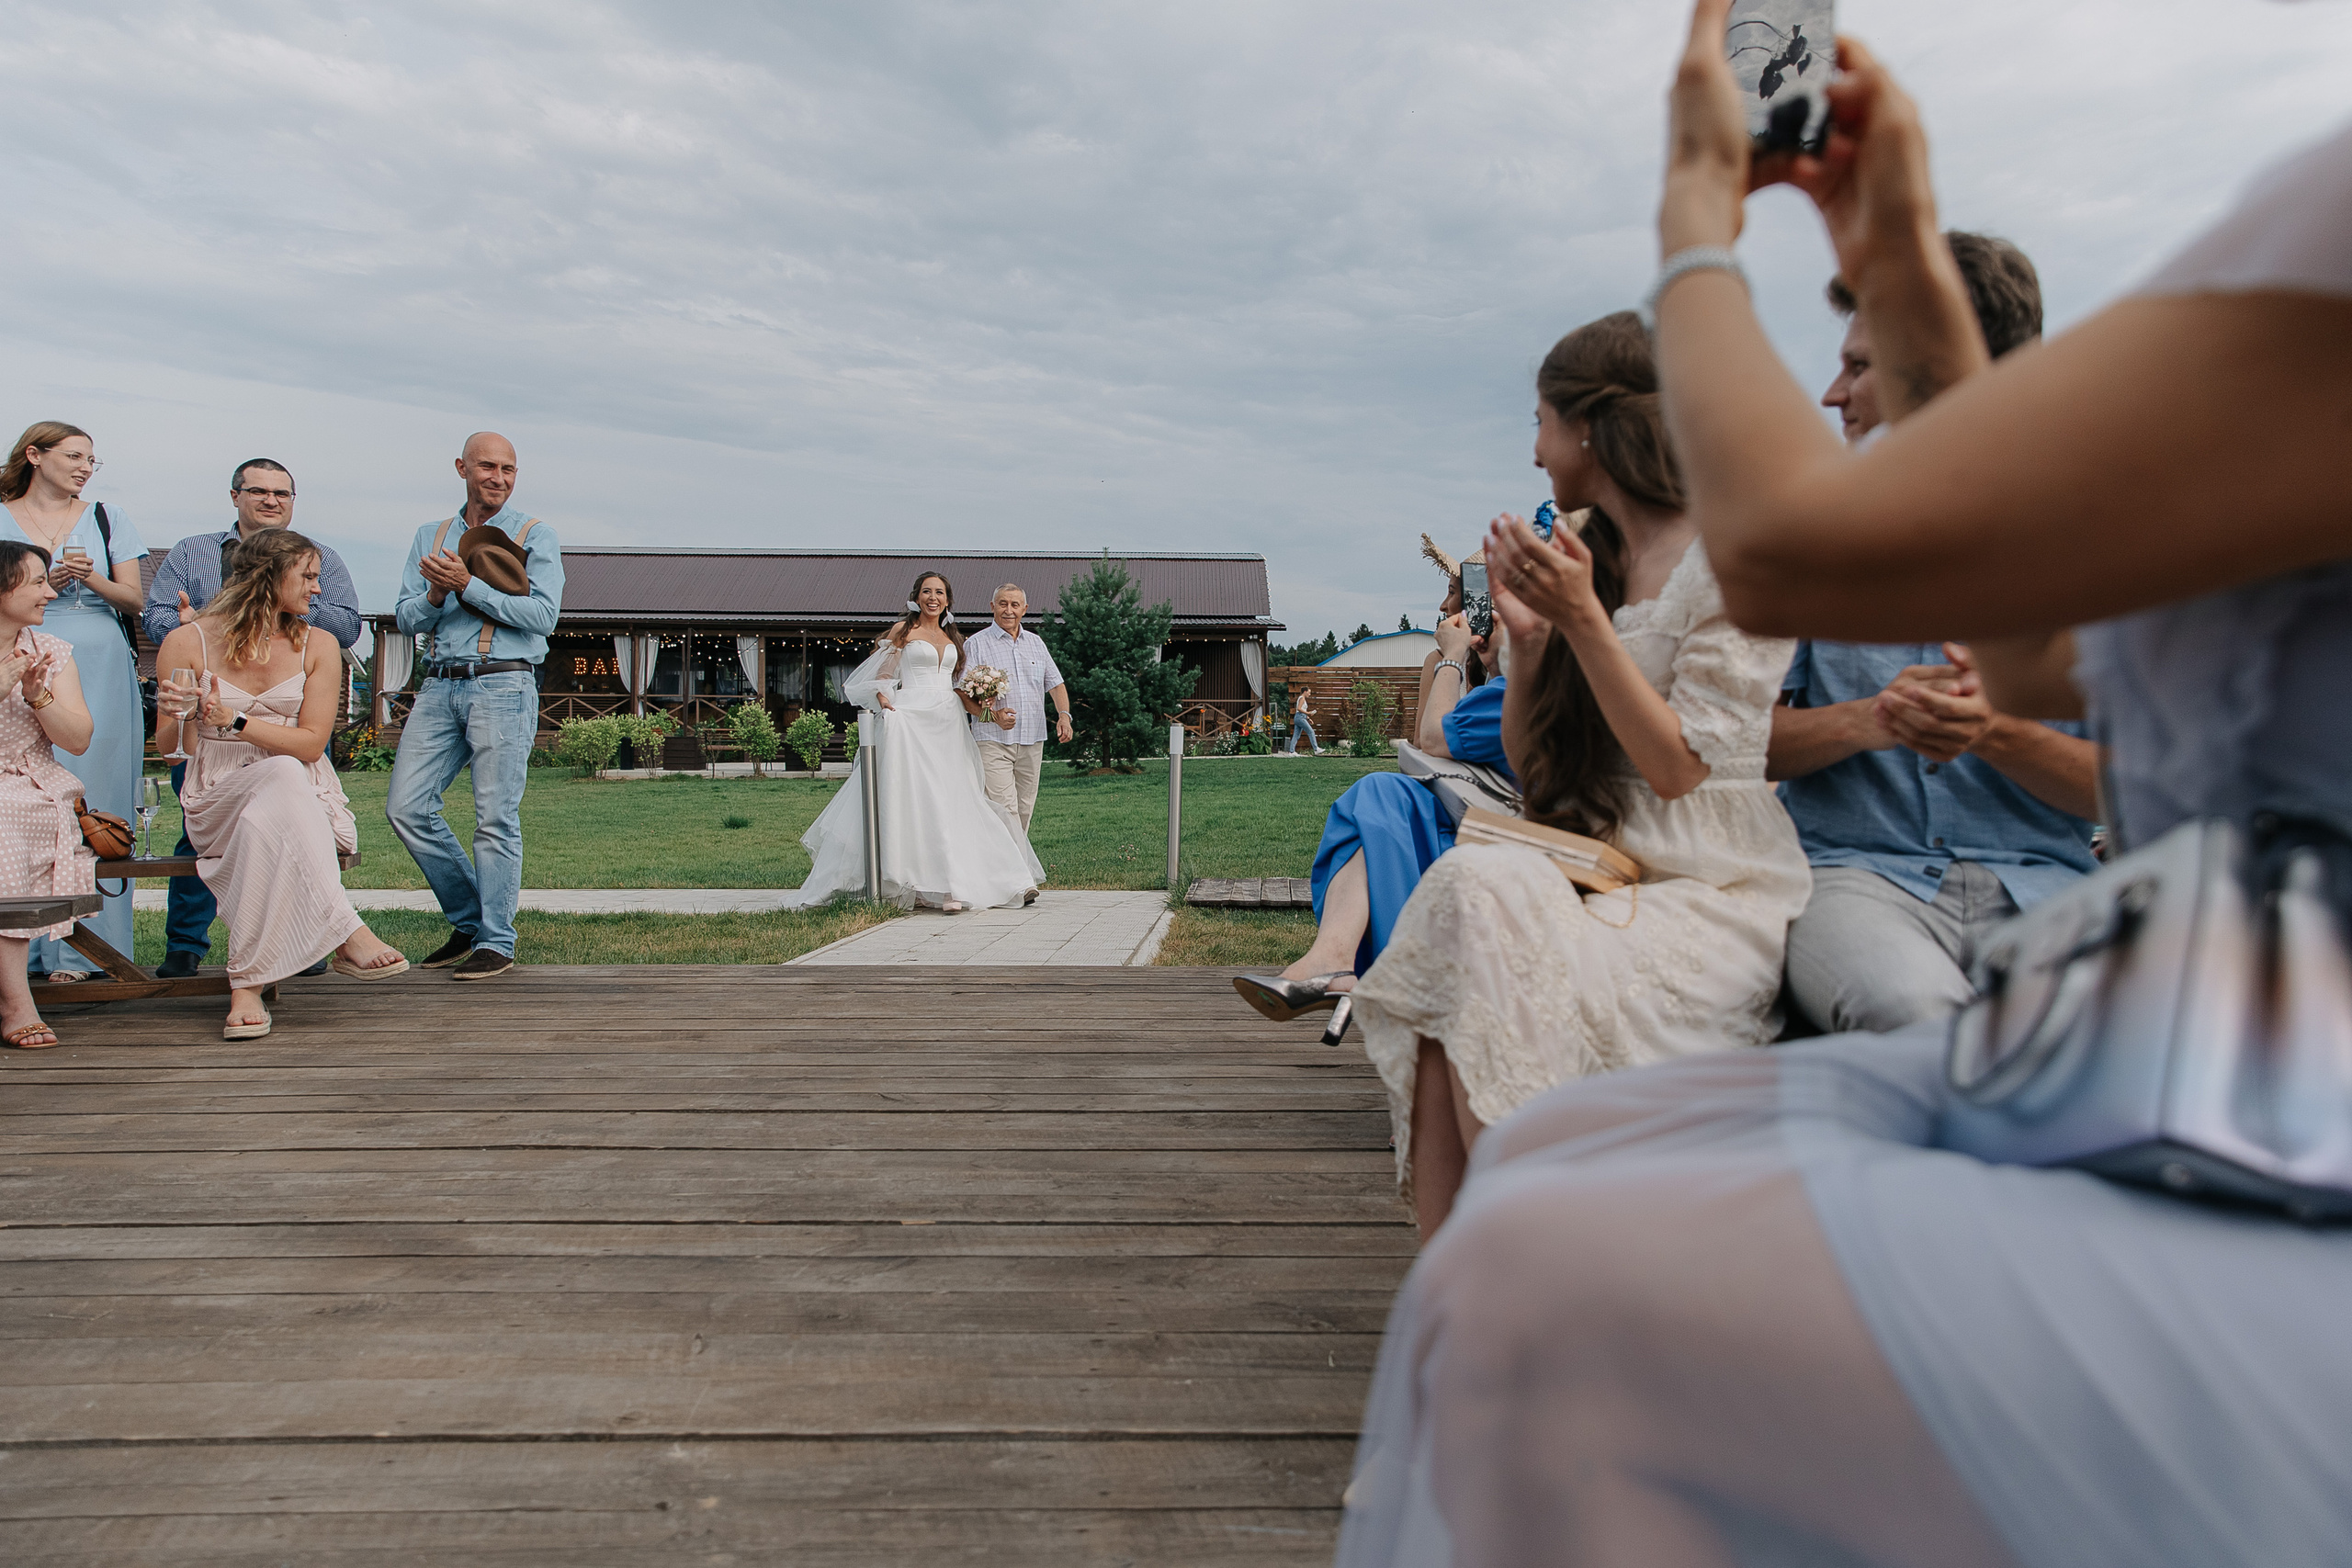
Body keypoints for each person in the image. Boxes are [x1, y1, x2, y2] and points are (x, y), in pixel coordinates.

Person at [1336, 9, 2352, 1564]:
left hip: (2279, 1073)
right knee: (1552, 1156)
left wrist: (1694, 220)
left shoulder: (2318, 255)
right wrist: (1888, 237)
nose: (1833, 391)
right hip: (2199, 1024)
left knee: (1531, 1285)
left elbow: (1803, 557)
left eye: (1858, 360)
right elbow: (2037, 633)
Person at [1347, 311, 1812, 1237]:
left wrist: (1583, 626)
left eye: (1540, 423)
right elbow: (1539, 771)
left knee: (1468, 926)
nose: (1533, 453)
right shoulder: (1585, 552)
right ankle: (1466, 1284)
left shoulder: (1732, 559)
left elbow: (1682, 769)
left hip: (1710, 889)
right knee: (1466, 901)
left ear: (1592, 428)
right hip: (1595, 870)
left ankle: (1523, 1264)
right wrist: (1526, 644)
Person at [1773, 234, 2102, 1032]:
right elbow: (1740, 745)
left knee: (2108, 1028)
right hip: (1856, 878)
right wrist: (1869, 718)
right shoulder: (1812, 546)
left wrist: (1995, 732)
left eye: (1859, 367)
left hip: (2047, 888)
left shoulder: (2092, 555)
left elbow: (2122, 788)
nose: (1828, 393)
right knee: (1914, 1014)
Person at [1233, 544, 1509, 1037]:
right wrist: (1445, 660)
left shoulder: (1519, 690)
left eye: (1458, 597)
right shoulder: (1492, 682)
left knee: (1379, 802)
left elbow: (1431, 738)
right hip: (1478, 820)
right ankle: (1333, 960)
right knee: (1379, 800)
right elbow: (1426, 751)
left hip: (1505, 839)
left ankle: (1342, 964)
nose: (1446, 610)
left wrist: (1452, 660)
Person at [153, 531, 409, 1039]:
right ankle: (346, 931)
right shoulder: (188, 640)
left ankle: (246, 987)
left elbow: (312, 745)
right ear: (266, 577)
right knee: (279, 779)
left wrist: (236, 720)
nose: (317, 589)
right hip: (218, 790)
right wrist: (179, 713)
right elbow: (170, 749)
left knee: (281, 783)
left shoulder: (320, 643)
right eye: (308, 577)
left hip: (297, 787)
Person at [141, 458, 364, 981]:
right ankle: (190, 944)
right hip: (217, 760)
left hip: (287, 753)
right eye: (259, 491)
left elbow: (346, 621)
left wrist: (282, 613)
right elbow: (156, 621)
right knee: (209, 837)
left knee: (282, 799)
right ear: (236, 495)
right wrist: (205, 636)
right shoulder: (192, 556)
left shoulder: (319, 579)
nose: (271, 501)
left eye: (282, 493)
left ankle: (297, 949)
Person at [385, 433, 563, 982]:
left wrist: (469, 586)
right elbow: (406, 619)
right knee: (406, 808)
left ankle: (496, 940)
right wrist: (436, 595)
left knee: (495, 819)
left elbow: (543, 618)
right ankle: (470, 919)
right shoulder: (428, 536)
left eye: (509, 469)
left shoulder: (535, 535)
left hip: (503, 686)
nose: (499, 478)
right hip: (439, 685)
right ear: (461, 467)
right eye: (488, 466)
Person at [800, 570, 1046, 910]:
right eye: (927, 592)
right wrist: (888, 705)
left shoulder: (953, 637)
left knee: (953, 798)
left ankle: (953, 885)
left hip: (947, 722)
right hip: (911, 719)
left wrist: (988, 709)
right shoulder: (903, 631)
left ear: (948, 600)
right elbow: (883, 676)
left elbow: (960, 690)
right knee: (915, 799)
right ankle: (911, 880)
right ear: (916, 597)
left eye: (940, 593)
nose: (934, 598)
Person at [0, 423, 144, 981]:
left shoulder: (108, 517)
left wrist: (86, 580)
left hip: (99, 663)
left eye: (92, 459)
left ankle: (88, 952)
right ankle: (23, 944)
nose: (86, 466)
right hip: (16, 652)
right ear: (35, 456)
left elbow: (133, 599)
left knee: (97, 798)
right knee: (24, 798)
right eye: (75, 455)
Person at [0, 541, 98, 1049]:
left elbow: (78, 739)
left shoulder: (53, 652)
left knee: (3, 822)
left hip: (29, 789)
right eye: (35, 581)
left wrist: (39, 696)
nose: (47, 590)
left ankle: (15, 1004)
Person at [961, 583, 1073, 848]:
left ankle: (1008, 868)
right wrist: (991, 715)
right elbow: (963, 694)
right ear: (992, 607)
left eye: (1014, 605)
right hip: (992, 740)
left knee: (1024, 809)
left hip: (1032, 739)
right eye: (1002, 604)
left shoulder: (1036, 643)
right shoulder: (976, 644)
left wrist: (1064, 716)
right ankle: (1019, 878)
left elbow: (1055, 684)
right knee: (1005, 808)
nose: (1008, 610)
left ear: (1024, 609)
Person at [1288, 686, 1322, 753]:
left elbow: (1301, 710)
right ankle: (1316, 749)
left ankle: (1291, 752)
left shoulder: (1301, 698)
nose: (1310, 694)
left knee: (1296, 735)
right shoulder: (1302, 699)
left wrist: (1308, 718)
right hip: (1300, 717)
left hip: (1299, 717)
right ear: (1305, 692)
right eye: (1309, 693)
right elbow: (1299, 709)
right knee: (1311, 732)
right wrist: (1308, 713)